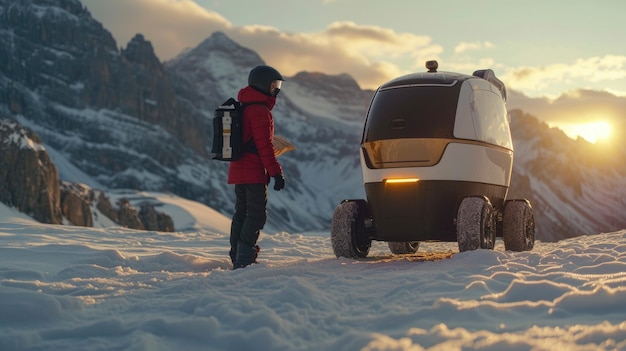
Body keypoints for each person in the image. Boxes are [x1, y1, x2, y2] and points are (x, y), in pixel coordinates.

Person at [228, 65, 286, 269]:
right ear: (263, 84)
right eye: (274, 85)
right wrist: (276, 173)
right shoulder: (260, 112)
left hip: (238, 169)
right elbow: (264, 147)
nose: (276, 90)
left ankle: (237, 254)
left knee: (241, 212)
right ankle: (244, 258)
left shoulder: (244, 106)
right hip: (252, 171)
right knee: (256, 214)